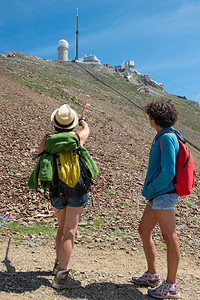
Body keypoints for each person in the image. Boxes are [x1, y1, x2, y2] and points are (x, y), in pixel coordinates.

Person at [132, 99, 182, 299]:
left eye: (150, 115)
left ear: (156, 117)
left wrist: (151, 189)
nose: (149, 118)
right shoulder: (163, 136)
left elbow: (169, 171)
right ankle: (152, 275)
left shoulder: (167, 138)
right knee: (144, 230)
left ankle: (170, 285)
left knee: (170, 237)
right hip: (158, 195)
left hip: (163, 194)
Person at [38, 104, 90, 289]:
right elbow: (87, 131)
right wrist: (83, 124)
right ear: (72, 124)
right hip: (77, 189)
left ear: (56, 123)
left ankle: (57, 264)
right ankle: (61, 276)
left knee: (61, 227)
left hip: (56, 189)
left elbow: (38, 154)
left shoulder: (48, 139)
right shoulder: (77, 137)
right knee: (70, 231)